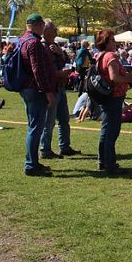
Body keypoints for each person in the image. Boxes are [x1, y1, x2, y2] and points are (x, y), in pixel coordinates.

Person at [94, 29, 132, 174]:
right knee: (111, 131)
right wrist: (130, 79)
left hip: (105, 96)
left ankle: (103, 161)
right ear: (106, 42)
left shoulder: (99, 56)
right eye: (113, 40)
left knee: (105, 130)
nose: (115, 42)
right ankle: (110, 163)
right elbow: (114, 77)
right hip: (113, 96)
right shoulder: (111, 56)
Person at [18, 13, 58, 177]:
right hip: (35, 89)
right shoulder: (34, 43)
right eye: (42, 25)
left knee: (33, 126)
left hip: (27, 88)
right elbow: (38, 70)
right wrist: (48, 92)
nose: (44, 28)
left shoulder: (22, 40)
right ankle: (31, 164)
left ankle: (33, 162)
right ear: (37, 25)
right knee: (36, 127)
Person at [40, 19, 80, 159]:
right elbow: (43, 71)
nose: (56, 31)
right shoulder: (42, 47)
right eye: (54, 29)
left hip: (61, 87)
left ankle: (64, 146)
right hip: (51, 88)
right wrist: (59, 73)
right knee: (49, 121)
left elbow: (66, 60)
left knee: (64, 119)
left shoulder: (55, 46)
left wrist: (60, 53)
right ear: (46, 31)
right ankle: (45, 149)